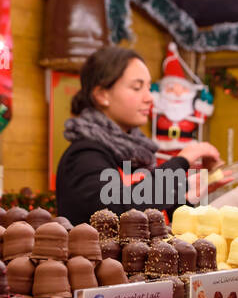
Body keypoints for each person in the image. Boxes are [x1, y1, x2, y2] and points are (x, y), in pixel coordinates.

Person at [56, 46, 219, 226]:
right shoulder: (83, 156)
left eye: (149, 88)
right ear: (102, 95)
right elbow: (121, 212)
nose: (149, 98)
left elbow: (154, 217)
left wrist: (187, 196)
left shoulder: (137, 152)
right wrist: (182, 161)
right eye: (137, 87)